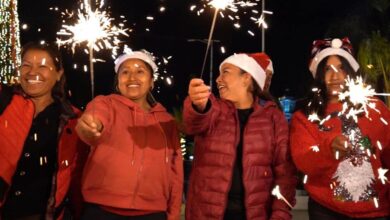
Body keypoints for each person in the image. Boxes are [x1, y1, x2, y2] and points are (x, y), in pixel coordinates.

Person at [183, 52, 297, 220]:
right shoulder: (214, 110)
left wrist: (280, 213)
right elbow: (193, 122)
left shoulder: (273, 117)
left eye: (226, 72)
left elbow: (285, 174)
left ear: (246, 78)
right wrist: (197, 105)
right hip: (207, 213)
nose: (217, 79)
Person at [290, 37, 390, 219]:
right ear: (319, 74)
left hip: (376, 211)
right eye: (328, 69)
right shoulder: (305, 116)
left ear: (350, 72)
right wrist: (329, 149)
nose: (335, 76)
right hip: (326, 211)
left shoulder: (376, 109)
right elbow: (302, 161)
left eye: (341, 68)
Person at [76, 50, 183, 220]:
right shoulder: (105, 104)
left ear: (151, 82)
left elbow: (176, 171)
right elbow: (92, 125)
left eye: (140, 71)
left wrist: (174, 213)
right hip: (102, 211)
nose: (132, 77)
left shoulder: (167, 121)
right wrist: (90, 127)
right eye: (125, 72)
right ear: (118, 83)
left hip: (153, 213)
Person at [0, 42, 88, 219]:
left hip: (41, 214)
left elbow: (77, 174)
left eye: (43, 66)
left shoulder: (72, 119)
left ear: (58, 74)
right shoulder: (5, 101)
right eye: (26, 65)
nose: (32, 73)